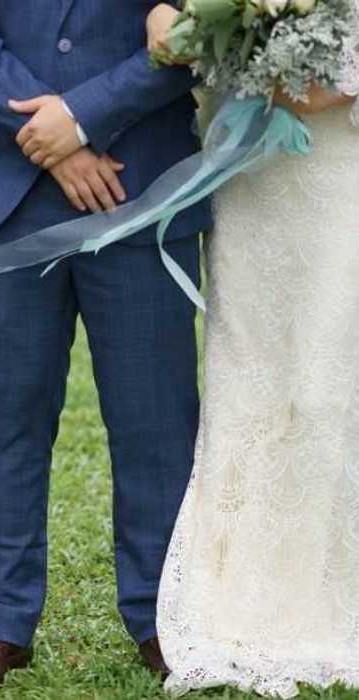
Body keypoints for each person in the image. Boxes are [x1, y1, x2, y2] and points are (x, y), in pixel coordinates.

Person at [0, 0, 210, 689]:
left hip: (141, 185)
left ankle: (162, 618)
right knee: (7, 417)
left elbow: (200, 29)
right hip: (10, 191)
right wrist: (51, 136)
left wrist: (82, 118)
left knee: (155, 422)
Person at [147, 4, 359, 696]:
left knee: (326, 382)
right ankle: (238, 591)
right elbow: (174, 23)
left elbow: (330, 78)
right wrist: (206, 38)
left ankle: (332, 594)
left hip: (339, 171)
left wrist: (305, 77)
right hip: (251, 176)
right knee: (249, 370)